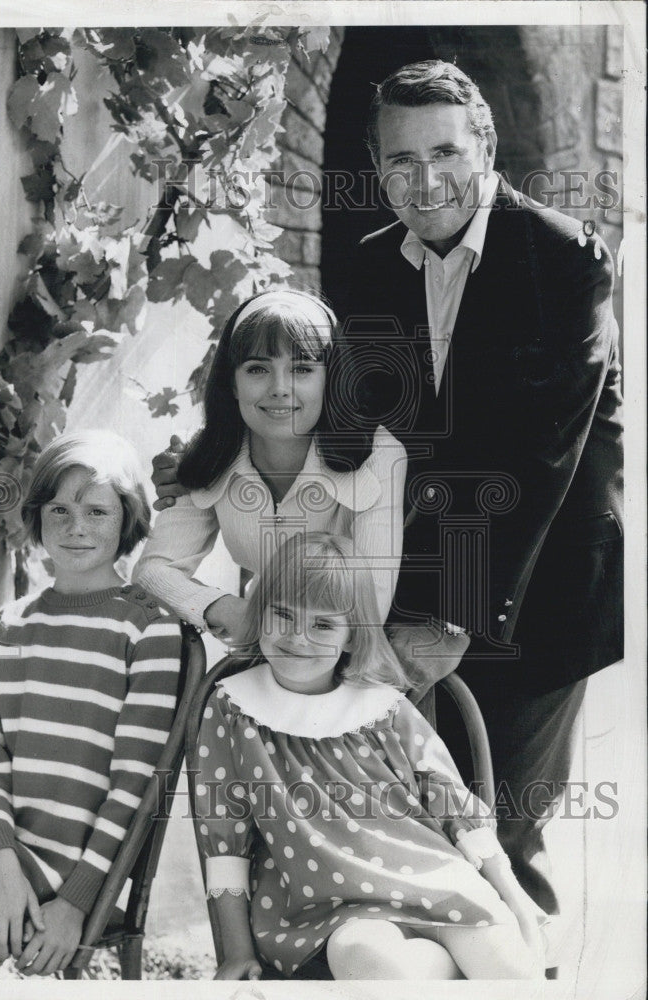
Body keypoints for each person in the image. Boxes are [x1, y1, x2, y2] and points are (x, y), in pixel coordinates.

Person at [343, 58, 624, 925]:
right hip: (420, 587)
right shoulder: (371, 269)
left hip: (537, 591)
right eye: (399, 160)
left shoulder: (562, 260)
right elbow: (377, 440)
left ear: (485, 149)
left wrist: (451, 614)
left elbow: (533, 456)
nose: (423, 181)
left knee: (500, 841)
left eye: (444, 153)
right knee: (419, 841)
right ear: (376, 166)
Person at [193, 533, 545, 980]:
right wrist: (236, 951)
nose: (297, 637)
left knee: (508, 968)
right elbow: (224, 839)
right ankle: (447, 975)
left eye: (322, 625)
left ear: (351, 637)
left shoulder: (383, 706)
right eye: (281, 614)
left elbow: (453, 805)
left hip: (437, 879)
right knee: (365, 960)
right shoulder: (233, 707)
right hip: (335, 911)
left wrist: (513, 899)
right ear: (257, 611)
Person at [0, 430, 182, 976]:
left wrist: (75, 904)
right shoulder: (11, 624)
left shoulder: (147, 628)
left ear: (128, 519)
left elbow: (135, 789)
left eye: (97, 511)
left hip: (47, 859)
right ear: (37, 515)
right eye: (59, 509)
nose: (77, 527)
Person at [133, 288, 408, 641]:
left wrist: (274, 629)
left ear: (330, 379)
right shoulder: (209, 451)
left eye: (302, 368)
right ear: (232, 382)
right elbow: (153, 573)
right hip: (263, 642)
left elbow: (368, 613)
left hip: (354, 658)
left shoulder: (379, 455)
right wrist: (235, 612)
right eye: (258, 368)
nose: (280, 388)